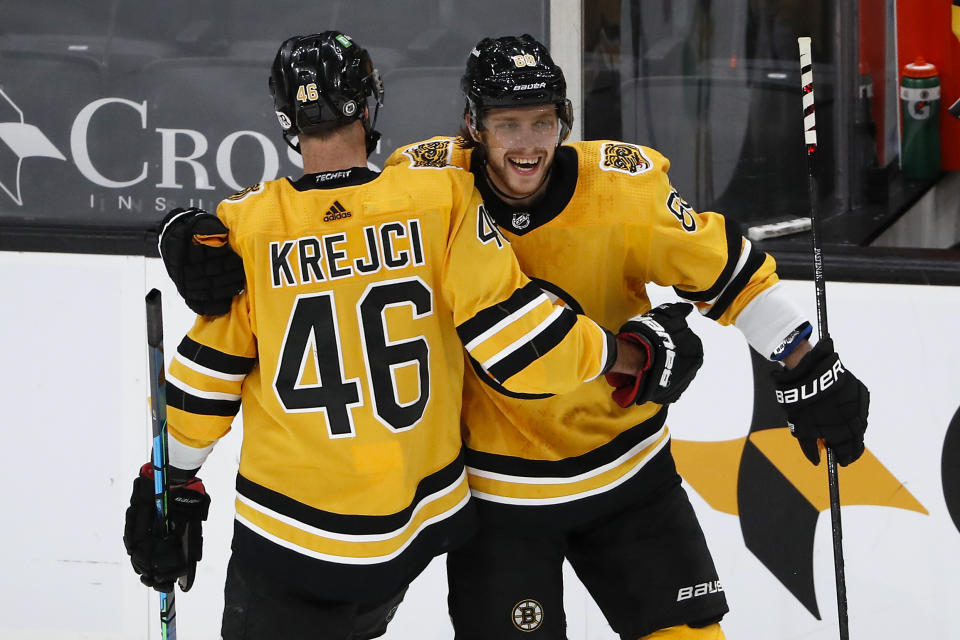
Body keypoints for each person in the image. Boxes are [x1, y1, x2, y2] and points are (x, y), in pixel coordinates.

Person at [155, 34, 870, 640]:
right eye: (506, 124)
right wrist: (192, 237)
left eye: (542, 122)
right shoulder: (432, 189)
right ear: (473, 125)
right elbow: (340, 222)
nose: (527, 144)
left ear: (565, 121)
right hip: (498, 505)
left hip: (628, 481)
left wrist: (809, 365)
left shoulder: (621, 191)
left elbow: (731, 273)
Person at [122, 31, 650, 640]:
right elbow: (518, 340)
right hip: (405, 533)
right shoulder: (441, 199)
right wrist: (618, 352)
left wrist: (170, 481)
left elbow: (204, 380)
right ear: (370, 105)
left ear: (286, 118)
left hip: (288, 536)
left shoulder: (249, 227)